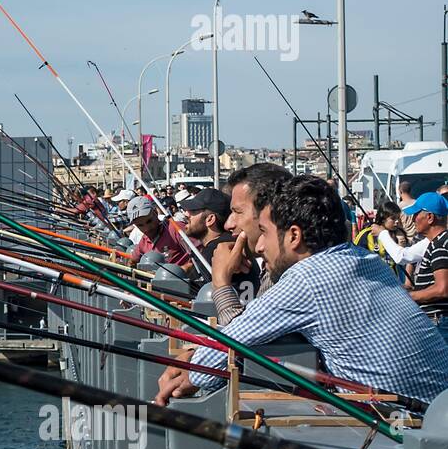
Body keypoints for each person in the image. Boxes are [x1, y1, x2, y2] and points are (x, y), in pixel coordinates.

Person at [155, 174, 448, 406]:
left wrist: (191, 371)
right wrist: (198, 355)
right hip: (434, 414)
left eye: (266, 233)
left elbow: (230, 344)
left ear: (294, 235)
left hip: (405, 425)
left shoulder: (309, 279)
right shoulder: (365, 259)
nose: (258, 245)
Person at [209, 162, 292, 325]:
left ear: (269, 213)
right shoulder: (275, 269)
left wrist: (221, 282)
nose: (228, 224)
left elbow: (241, 341)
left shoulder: (290, 276)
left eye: (238, 212)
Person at [180, 188, 260, 304]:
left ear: (210, 219)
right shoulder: (228, 242)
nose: (186, 214)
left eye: (193, 210)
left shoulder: (216, 249)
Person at [354, 200, 429, 277]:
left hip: (394, 280)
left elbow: (405, 258)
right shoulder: (366, 234)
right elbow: (355, 257)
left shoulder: (400, 234)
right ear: (383, 218)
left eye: (398, 218)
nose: (397, 222)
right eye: (393, 219)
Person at [408, 192, 448, 333]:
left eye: (416, 214)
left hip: (440, 322)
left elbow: (442, 289)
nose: (413, 219)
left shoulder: (439, 245)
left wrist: (409, 296)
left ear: (430, 217)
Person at [127, 196, 192, 267]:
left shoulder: (176, 229)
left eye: (149, 221)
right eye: (140, 225)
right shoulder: (144, 241)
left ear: (155, 212)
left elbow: (200, 254)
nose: (147, 228)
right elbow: (132, 262)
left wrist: (183, 270)